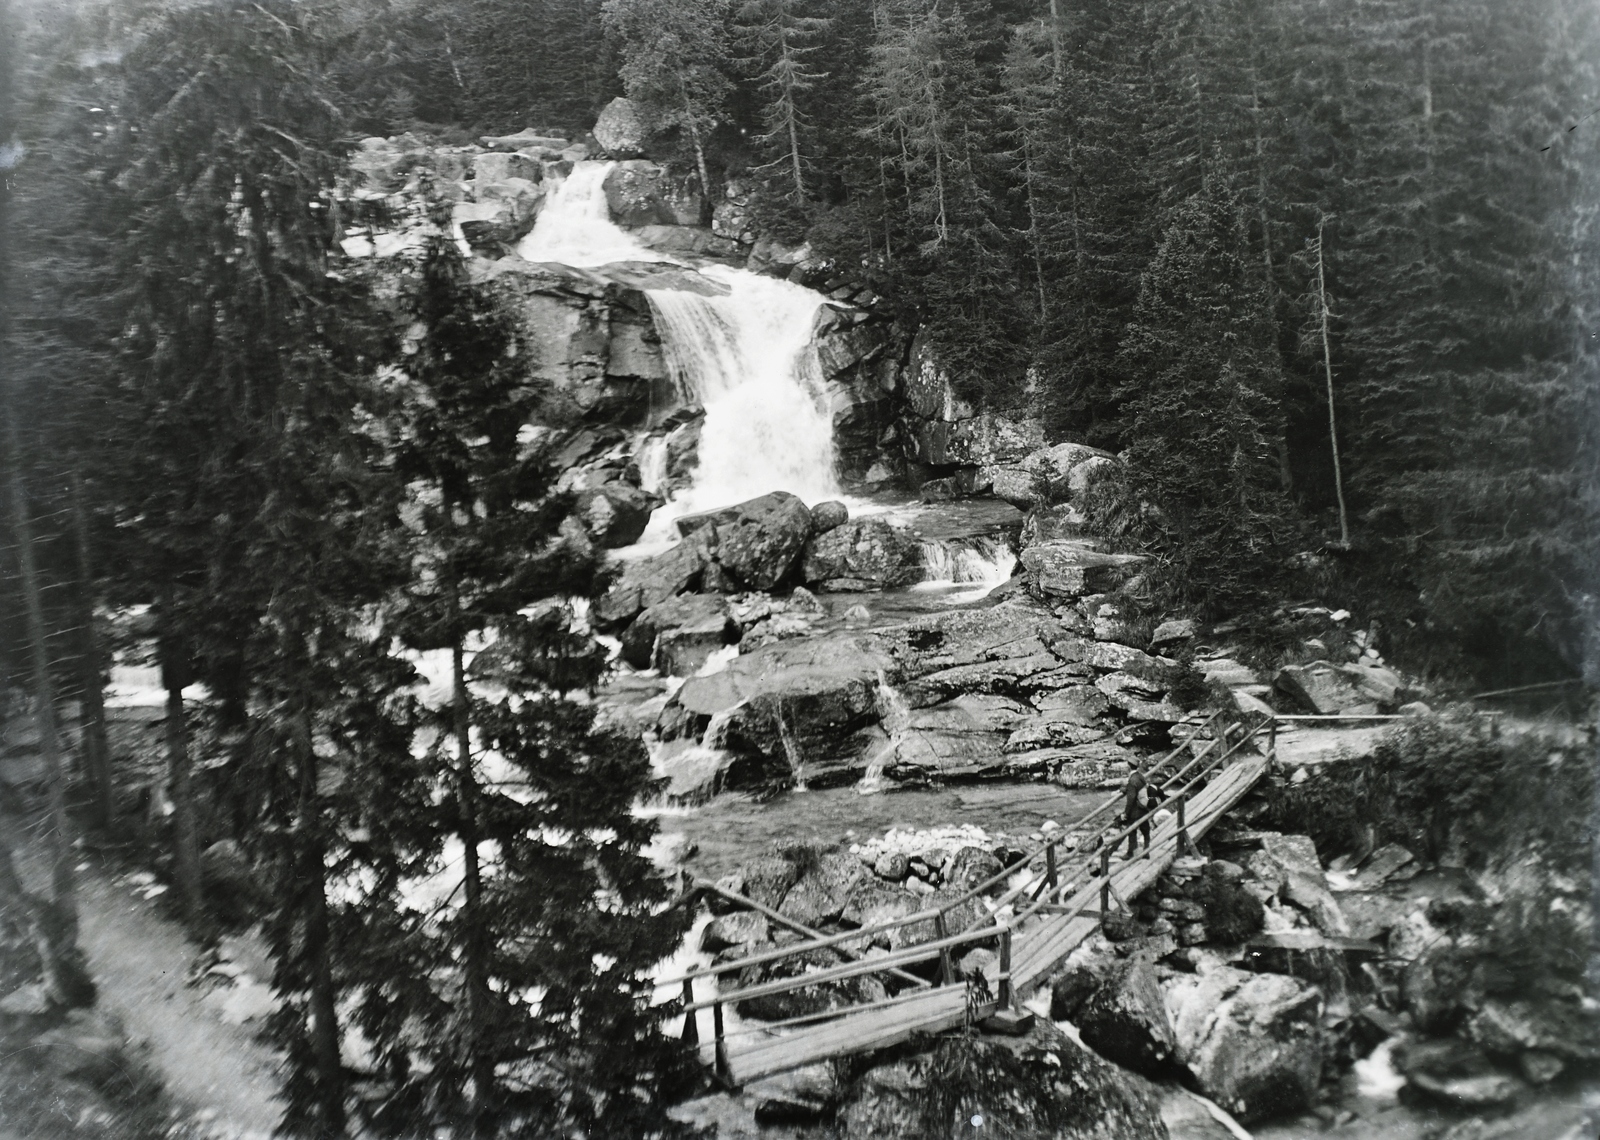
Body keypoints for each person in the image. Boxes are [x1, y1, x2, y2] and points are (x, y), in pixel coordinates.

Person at [1122, 762, 1159, 859]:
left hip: (1135, 810)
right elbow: (1138, 788)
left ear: (1129, 767)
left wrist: (1125, 813)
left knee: (1131, 831)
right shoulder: (1140, 776)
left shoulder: (1132, 780)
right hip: (1143, 808)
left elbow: (1131, 798)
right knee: (1145, 831)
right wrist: (1124, 789)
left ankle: (1130, 853)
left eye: (1126, 766)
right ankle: (1146, 852)